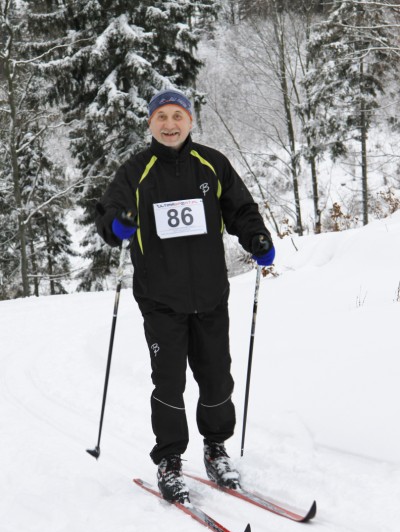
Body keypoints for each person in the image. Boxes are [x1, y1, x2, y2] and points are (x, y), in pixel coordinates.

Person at [95, 89, 275, 504]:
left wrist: (257, 238)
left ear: (191, 121)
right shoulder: (135, 171)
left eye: (178, 116)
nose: (170, 124)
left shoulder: (212, 164)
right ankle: (170, 461)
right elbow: (109, 216)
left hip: (211, 294)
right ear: (149, 123)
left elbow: (241, 211)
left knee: (216, 379)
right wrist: (118, 225)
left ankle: (215, 450)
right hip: (161, 299)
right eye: (162, 117)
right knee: (169, 382)